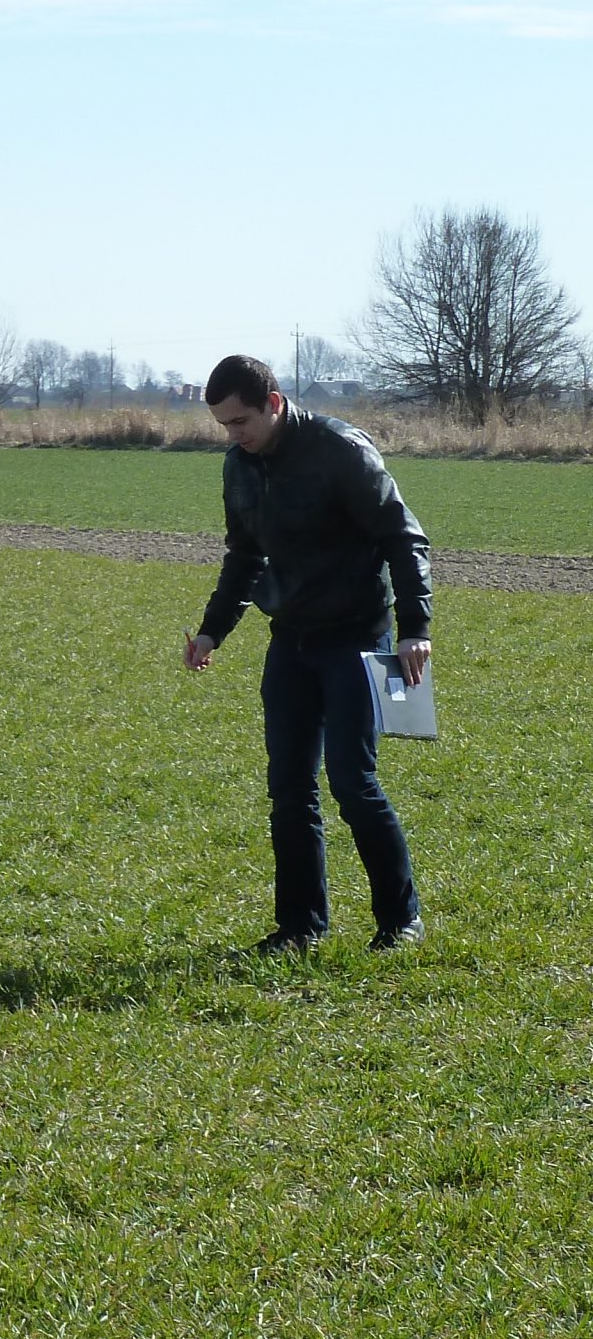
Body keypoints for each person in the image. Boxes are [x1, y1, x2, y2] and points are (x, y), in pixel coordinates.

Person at [182, 354, 432, 954]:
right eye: (222, 425)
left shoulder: (341, 450)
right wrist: (213, 631)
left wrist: (414, 627)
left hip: (354, 639)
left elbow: (404, 537)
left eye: (240, 421)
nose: (233, 435)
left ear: (273, 403)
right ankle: (300, 927)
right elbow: (244, 556)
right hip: (289, 642)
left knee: (353, 783)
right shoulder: (239, 467)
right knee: (289, 790)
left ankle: (402, 922)